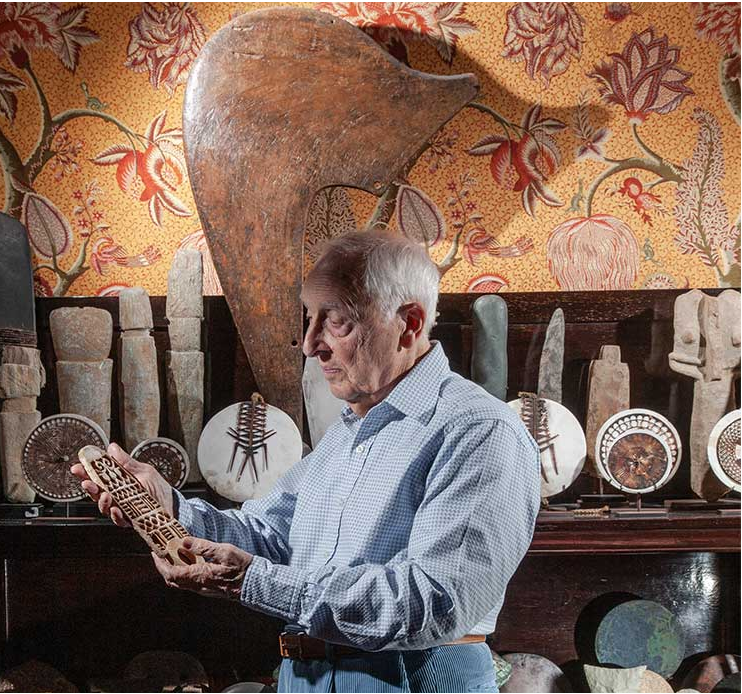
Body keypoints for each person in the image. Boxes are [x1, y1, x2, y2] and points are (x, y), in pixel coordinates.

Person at [72, 230, 540, 693]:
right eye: (310, 319)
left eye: (336, 321)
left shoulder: (478, 429)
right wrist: (171, 509)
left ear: (409, 323)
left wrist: (252, 580)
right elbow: (270, 536)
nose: (310, 344)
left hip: (410, 678)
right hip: (306, 677)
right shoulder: (349, 429)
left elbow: (433, 602)